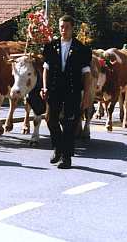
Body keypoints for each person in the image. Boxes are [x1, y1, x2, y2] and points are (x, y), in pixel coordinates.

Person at [40, 15, 92, 169]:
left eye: (67, 27)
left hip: (72, 90)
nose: (63, 30)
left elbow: (87, 74)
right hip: (54, 89)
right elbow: (45, 69)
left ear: (72, 28)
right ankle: (57, 148)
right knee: (50, 120)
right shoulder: (51, 46)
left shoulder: (81, 49)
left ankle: (66, 158)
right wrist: (44, 87)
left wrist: (87, 95)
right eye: (61, 26)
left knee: (70, 124)